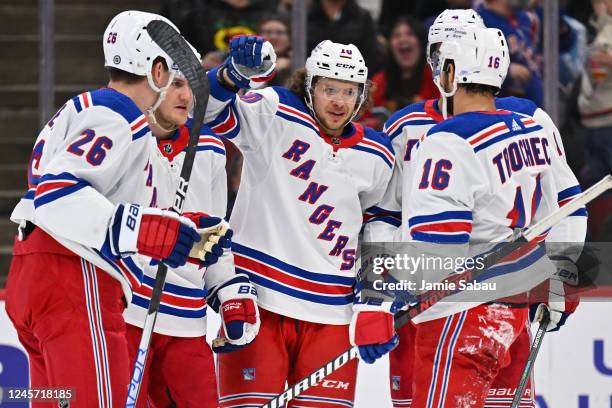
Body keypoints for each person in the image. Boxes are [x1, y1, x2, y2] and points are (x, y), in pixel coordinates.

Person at [3, 10, 233, 406]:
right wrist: (146, 231)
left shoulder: (87, 109)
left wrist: (181, 231)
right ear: (155, 70)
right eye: (174, 74)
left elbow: (108, 200)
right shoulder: (121, 113)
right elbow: (58, 194)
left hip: (35, 276)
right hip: (77, 278)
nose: (185, 93)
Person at [354, 19, 585, 408]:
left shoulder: (459, 137)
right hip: (502, 300)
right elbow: (385, 216)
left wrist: (383, 300)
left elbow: (437, 249)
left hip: (451, 307)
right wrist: (562, 279)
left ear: (452, 66)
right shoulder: (525, 127)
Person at [205, 36, 394, 406]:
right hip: (261, 303)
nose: (340, 101)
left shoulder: (378, 152)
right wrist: (229, 77)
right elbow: (208, 113)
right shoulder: (275, 113)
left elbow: (381, 224)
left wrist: (375, 300)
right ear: (310, 86)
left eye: (350, 91)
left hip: (332, 315)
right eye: (330, 89)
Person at [121, 60, 259, 406]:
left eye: (192, 87)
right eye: (176, 85)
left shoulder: (211, 147)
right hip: (125, 313)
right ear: (151, 82)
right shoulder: (120, 137)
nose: (187, 96)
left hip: (186, 320)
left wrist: (227, 289)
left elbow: (215, 233)